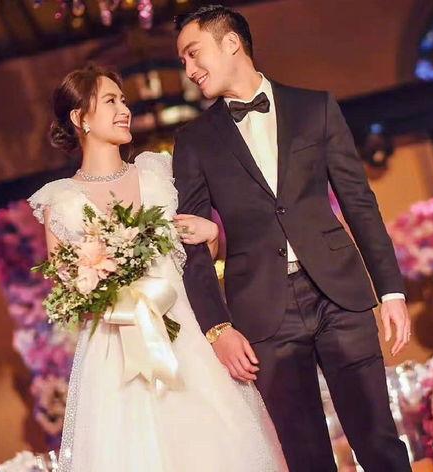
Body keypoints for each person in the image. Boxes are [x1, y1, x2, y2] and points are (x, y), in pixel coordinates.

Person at [174, 5, 412, 471]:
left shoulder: (314, 107)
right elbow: (191, 243)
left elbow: (359, 203)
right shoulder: (194, 141)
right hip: (263, 312)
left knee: (379, 441)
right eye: (183, 60)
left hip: (340, 295)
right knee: (306, 459)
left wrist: (391, 290)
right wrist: (217, 328)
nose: (189, 68)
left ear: (231, 42)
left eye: (193, 53)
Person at [28, 65, 287, 472]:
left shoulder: (157, 171)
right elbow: (71, 291)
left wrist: (212, 234)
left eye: (123, 101)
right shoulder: (60, 202)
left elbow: (199, 258)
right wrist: (101, 281)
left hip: (188, 332)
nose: (124, 110)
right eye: (110, 101)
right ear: (80, 118)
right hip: (116, 352)